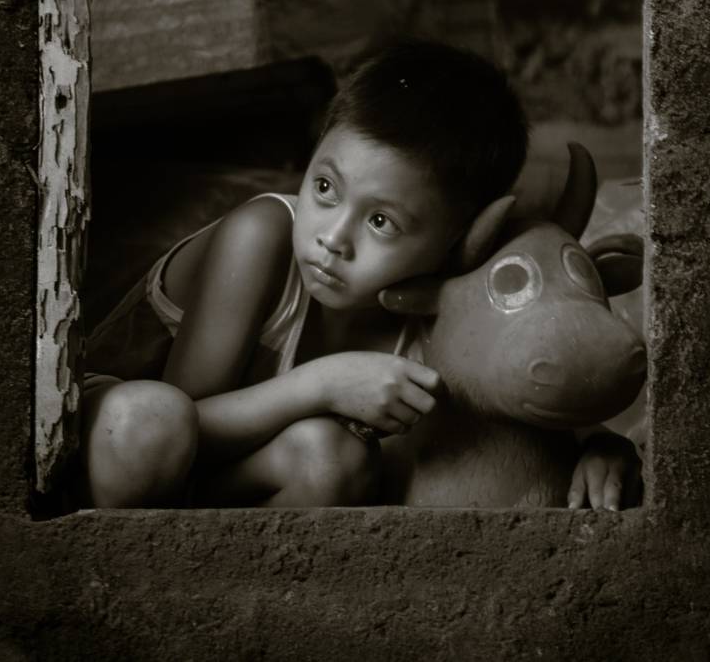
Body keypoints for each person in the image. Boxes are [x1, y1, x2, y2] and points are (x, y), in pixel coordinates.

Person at [77, 39, 628, 509]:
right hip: (115, 443)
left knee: (331, 458)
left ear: (457, 241)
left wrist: (599, 444)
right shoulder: (261, 234)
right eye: (325, 187)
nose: (333, 238)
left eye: (382, 222)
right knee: (152, 418)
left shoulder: (442, 300)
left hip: (205, 492)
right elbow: (184, 430)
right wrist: (324, 385)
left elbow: (507, 392)